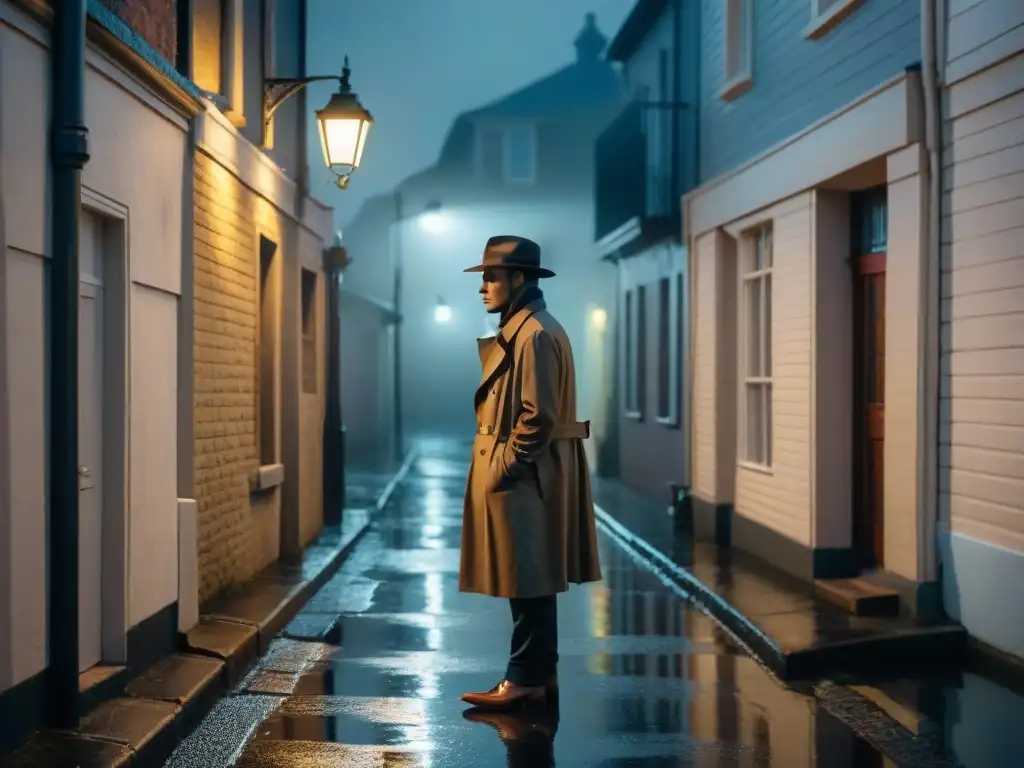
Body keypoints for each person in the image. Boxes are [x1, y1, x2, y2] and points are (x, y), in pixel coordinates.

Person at [458, 235, 602, 710]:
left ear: (518, 280)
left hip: (529, 475)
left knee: (527, 580)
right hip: (534, 473)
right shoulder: (527, 329)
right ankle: (538, 675)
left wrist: (505, 466)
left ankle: (523, 679)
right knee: (530, 579)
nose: (483, 287)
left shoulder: (534, 333)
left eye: (492, 277)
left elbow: (535, 416)